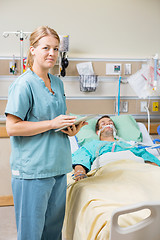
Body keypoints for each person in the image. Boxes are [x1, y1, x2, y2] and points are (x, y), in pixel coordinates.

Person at [5, 26, 86, 240]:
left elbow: (56, 119)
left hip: (58, 168)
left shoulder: (57, 83)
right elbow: (12, 127)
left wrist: (70, 129)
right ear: (32, 50)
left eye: (56, 49)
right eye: (46, 48)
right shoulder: (23, 85)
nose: (52, 53)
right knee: (31, 234)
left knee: (52, 233)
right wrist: (51, 124)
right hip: (33, 171)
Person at [72, 115, 160, 181]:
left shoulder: (128, 145)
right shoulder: (93, 145)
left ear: (115, 130)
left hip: (137, 171)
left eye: (110, 123)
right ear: (98, 131)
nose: (108, 124)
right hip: (108, 174)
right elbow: (80, 160)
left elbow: (148, 159)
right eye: (103, 123)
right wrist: (80, 174)